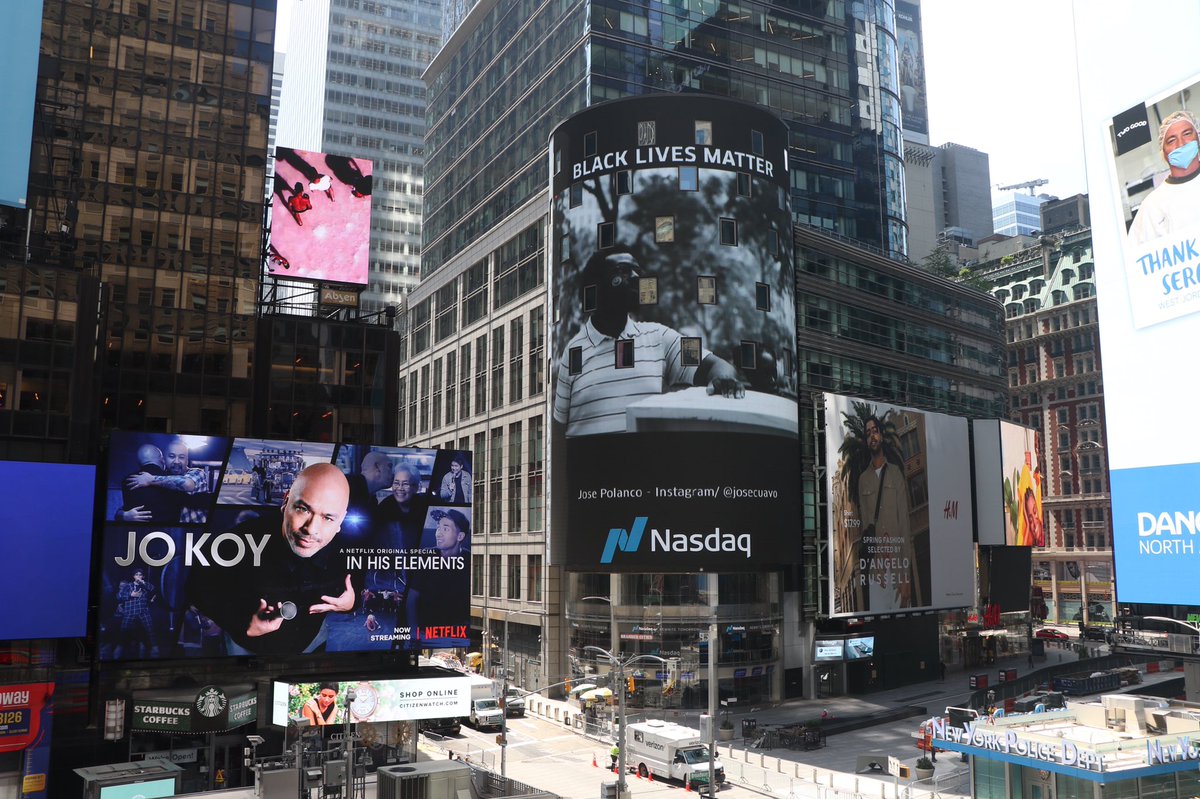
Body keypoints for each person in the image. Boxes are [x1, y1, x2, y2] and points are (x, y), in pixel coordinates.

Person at [553, 247, 746, 437]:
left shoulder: (658, 336)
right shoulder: (573, 352)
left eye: (638, 271)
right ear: (596, 286)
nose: (637, 277)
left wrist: (724, 379)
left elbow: (715, 364)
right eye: (623, 271)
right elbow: (559, 428)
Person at [188, 463, 358, 655]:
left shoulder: (347, 547)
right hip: (246, 652)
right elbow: (196, 586)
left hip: (312, 644)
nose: (311, 529)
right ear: (286, 501)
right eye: (303, 509)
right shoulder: (239, 540)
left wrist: (350, 604)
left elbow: (359, 581)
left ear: (341, 521)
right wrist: (240, 624)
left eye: (328, 518)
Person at [854, 415, 920, 611]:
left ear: (881, 436)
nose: (872, 436)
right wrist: (873, 565)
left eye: (875, 431)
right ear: (866, 441)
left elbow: (905, 526)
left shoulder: (895, 473)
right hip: (877, 574)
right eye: (868, 433)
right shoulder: (862, 480)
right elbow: (866, 528)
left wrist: (905, 576)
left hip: (899, 570)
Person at [1128, 109, 1200, 244]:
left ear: (1198, 138)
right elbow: (1135, 258)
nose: (1181, 144)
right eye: (1172, 140)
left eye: (1187, 134)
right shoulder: (1152, 206)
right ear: (1164, 153)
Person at [124, 437, 209, 523]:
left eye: (181, 457)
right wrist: (123, 515)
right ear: (164, 459)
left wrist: (150, 479)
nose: (176, 461)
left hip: (197, 531)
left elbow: (188, 484)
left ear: (187, 460)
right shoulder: (163, 478)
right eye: (172, 456)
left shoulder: (198, 472)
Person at [344, 450, 395, 538]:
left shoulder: (371, 499)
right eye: (390, 467)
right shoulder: (346, 487)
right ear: (377, 467)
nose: (393, 473)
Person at [113, 569, 159, 658]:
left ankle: (155, 652)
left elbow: (154, 590)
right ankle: (117, 655)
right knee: (123, 633)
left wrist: (144, 583)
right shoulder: (128, 586)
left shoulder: (146, 586)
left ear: (143, 576)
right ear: (134, 576)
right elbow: (119, 597)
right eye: (136, 574)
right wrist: (131, 595)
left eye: (140, 574)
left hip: (143, 612)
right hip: (130, 612)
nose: (138, 576)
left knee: (150, 631)